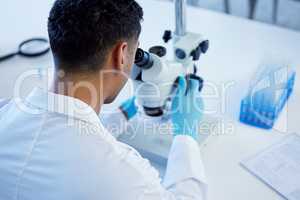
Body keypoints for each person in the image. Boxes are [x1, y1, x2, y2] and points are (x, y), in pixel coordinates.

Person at [0, 0, 207, 199]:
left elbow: (61, 140)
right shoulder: (126, 177)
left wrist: (123, 115)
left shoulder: (4, 113)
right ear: (122, 54)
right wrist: (185, 136)